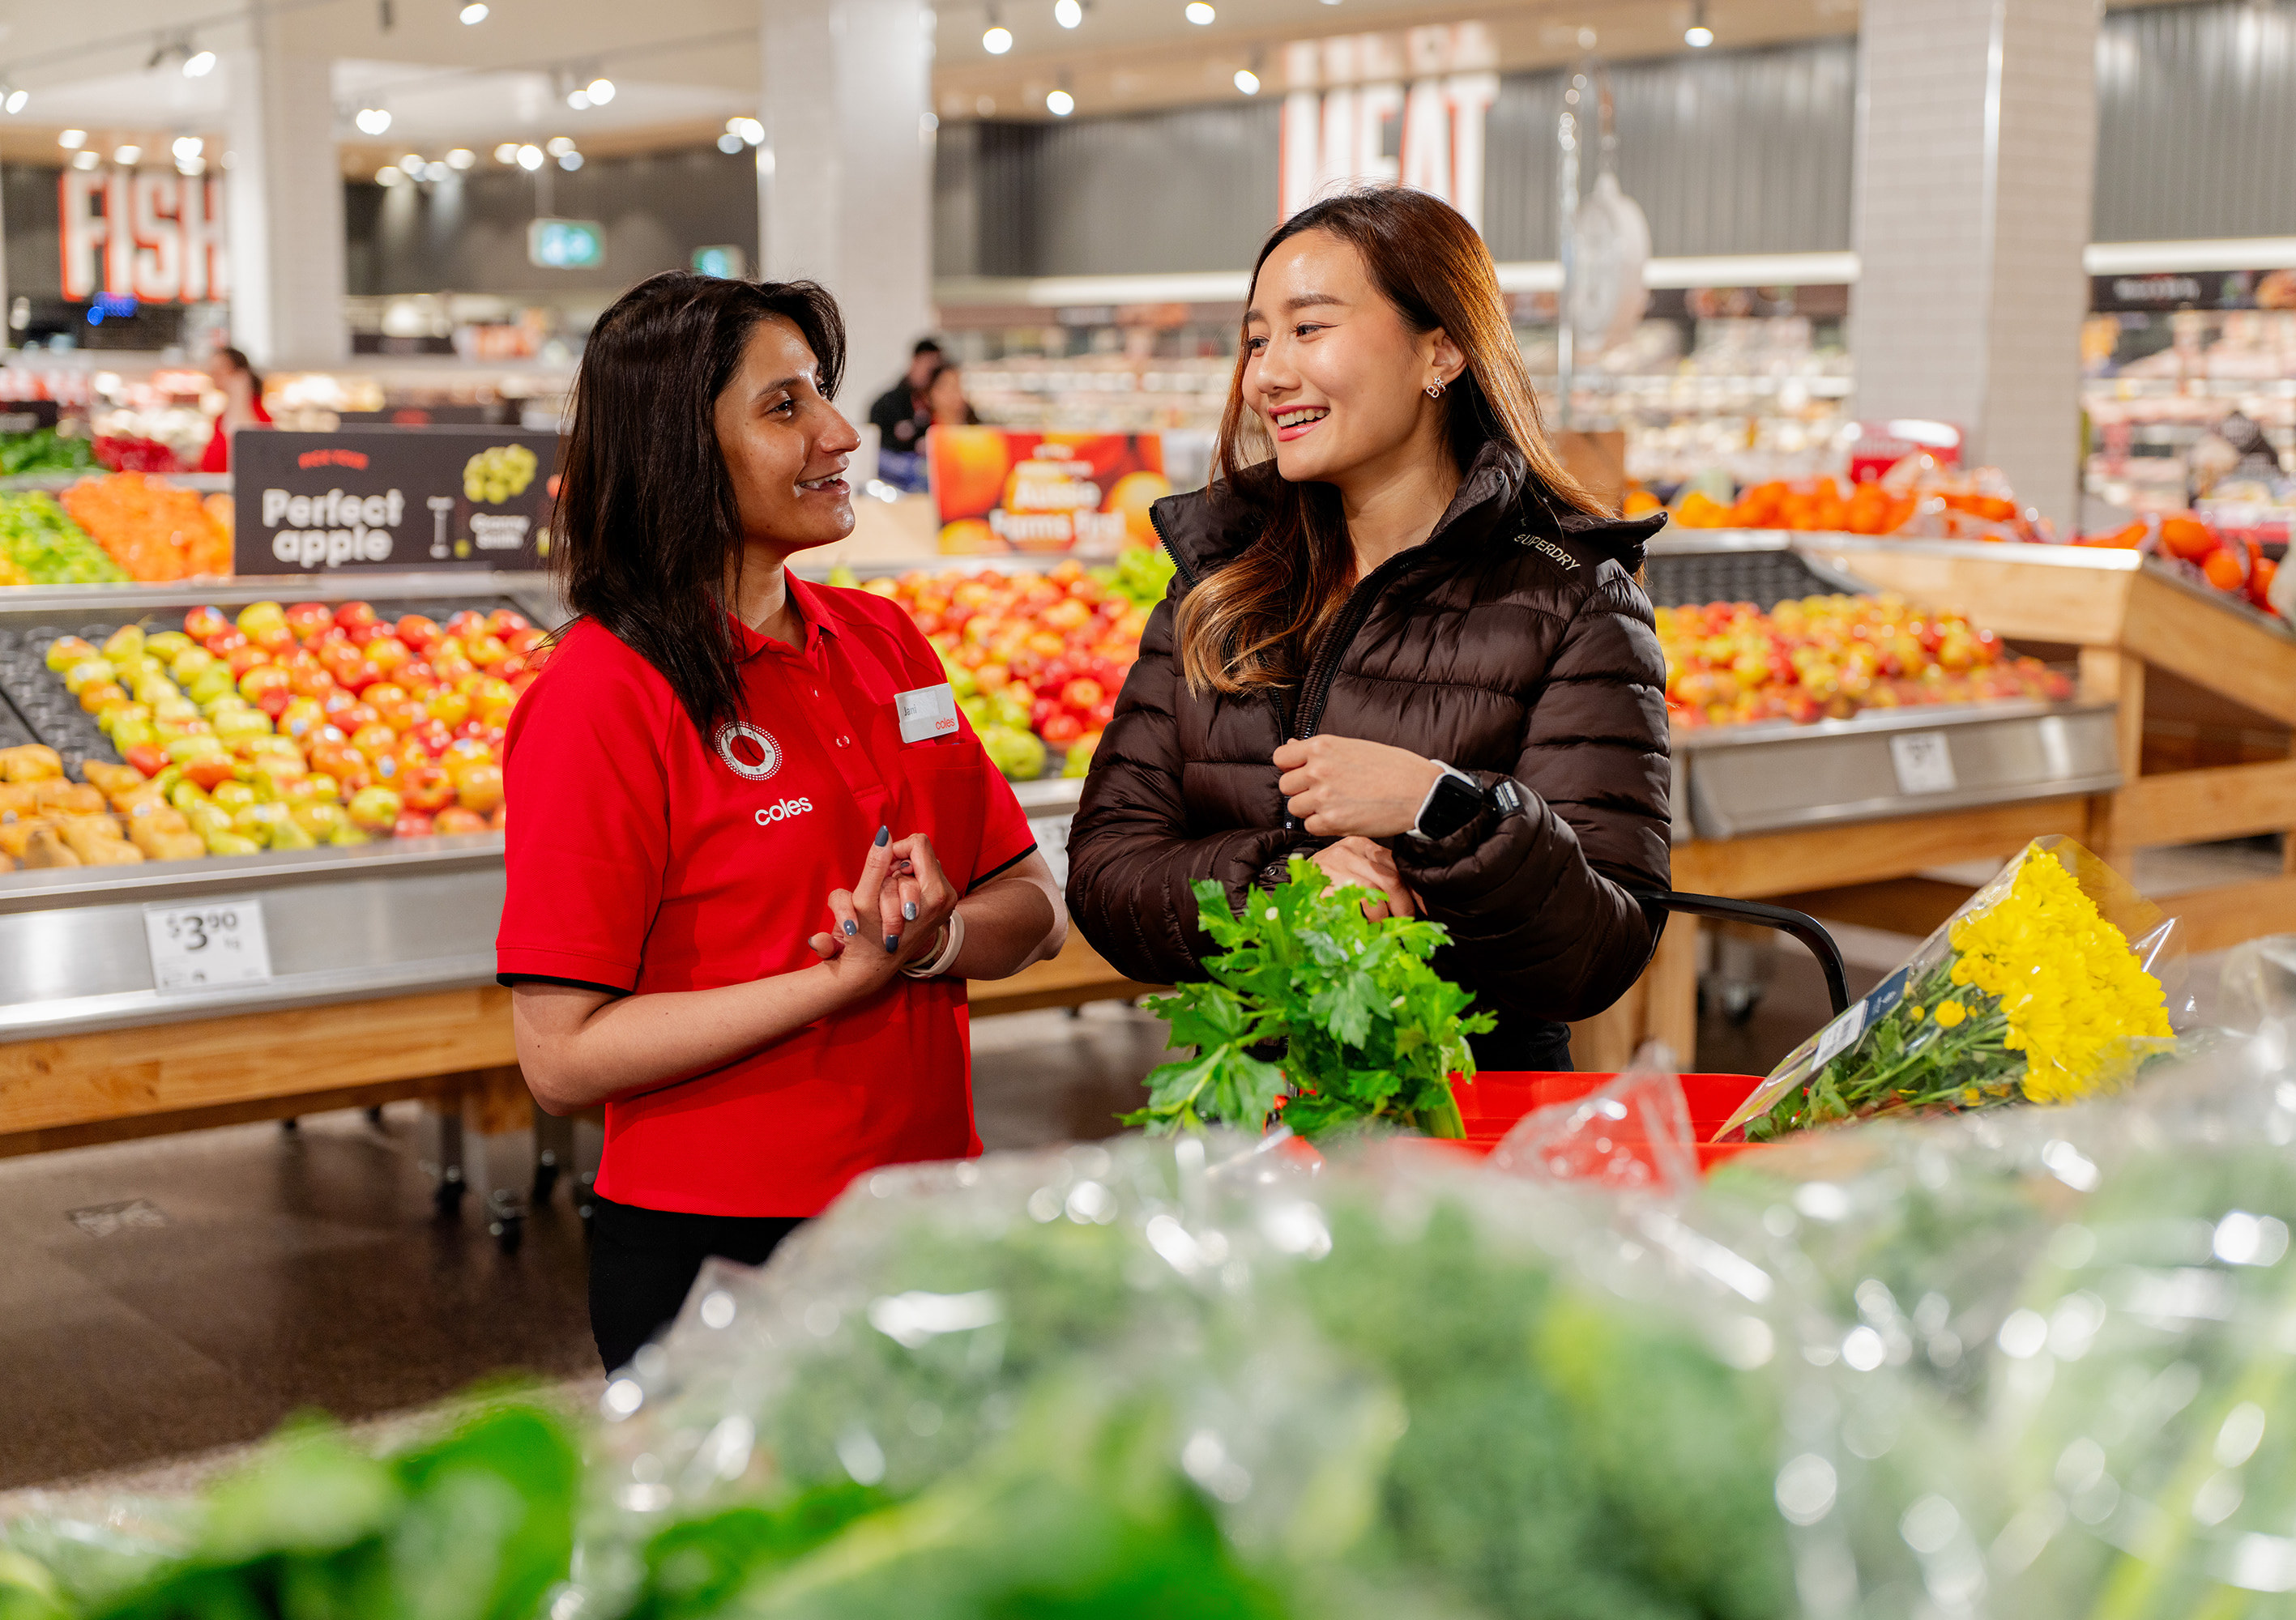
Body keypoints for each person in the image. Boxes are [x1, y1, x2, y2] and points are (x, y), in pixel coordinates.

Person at [497, 272, 1067, 1374]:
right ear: (677, 449)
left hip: (922, 1210)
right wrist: (837, 982)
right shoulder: (601, 695)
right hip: (721, 1254)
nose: (839, 433)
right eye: (785, 407)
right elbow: (560, 1060)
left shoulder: (887, 643)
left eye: (824, 396)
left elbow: (1032, 901)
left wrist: (934, 940)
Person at [1065, 187, 1670, 1072]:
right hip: (1248, 1119)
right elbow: (1106, 870)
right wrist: (1290, 888)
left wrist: (1444, 806)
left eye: (1309, 329)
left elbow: (1599, 950)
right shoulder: (1220, 580)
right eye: (1257, 338)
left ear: (1443, 347)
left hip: (1463, 1129)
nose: (1266, 374)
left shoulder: (1573, 595)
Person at [197, 346, 272, 473]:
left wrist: (240, 390)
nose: (214, 374)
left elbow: (249, 454)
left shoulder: (257, 414)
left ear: (239, 373)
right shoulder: (221, 417)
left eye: (220, 368)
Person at [868, 336, 945, 460]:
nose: (929, 374)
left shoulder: (936, 405)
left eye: (935, 370)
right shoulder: (887, 404)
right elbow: (877, 450)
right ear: (915, 361)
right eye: (926, 365)